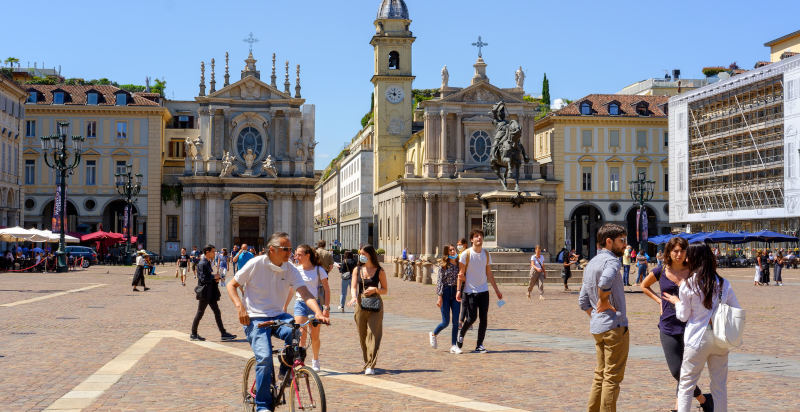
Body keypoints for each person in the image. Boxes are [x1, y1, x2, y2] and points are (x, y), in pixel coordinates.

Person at [226, 232, 330, 412]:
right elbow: (231, 285)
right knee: (265, 358)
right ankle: (263, 405)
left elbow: (305, 293)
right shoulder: (256, 264)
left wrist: (319, 312)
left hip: (278, 316)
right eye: (286, 249)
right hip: (255, 318)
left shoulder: (290, 268)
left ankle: (284, 372)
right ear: (272, 250)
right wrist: (239, 307)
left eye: (291, 249)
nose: (290, 252)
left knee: (295, 332)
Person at [662, 243, 741, 412]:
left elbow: (682, 316)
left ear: (695, 259)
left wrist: (676, 302)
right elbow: (736, 309)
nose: (686, 258)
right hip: (720, 338)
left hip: (697, 338)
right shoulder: (723, 283)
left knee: (686, 384)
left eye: (689, 255)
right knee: (719, 385)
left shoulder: (689, 284)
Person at [640, 237, 712, 412]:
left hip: (690, 325)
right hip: (668, 326)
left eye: (682, 251)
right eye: (675, 251)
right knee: (676, 370)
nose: (679, 255)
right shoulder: (661, 271)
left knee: (685, 369)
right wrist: (659, 302)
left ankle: (678, 407)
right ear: (669, 253)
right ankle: (703, 399)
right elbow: (644, 286)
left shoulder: (694, 271)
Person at [578, 223, 629, 412]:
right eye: (621, 241)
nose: (624, 245)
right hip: (615, 327)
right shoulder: (612, 262)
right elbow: (605, 281)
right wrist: (604, 301)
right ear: (609, 242)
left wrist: (596, 316)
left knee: (600, 375)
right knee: (612, 377)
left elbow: (583, 301)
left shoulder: (590, 263)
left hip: (598, 327)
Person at [456, 229, 503, 354]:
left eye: (481, 236)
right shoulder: (466, 254)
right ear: (472, 239)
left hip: (483, 291)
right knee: (471, 318)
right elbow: (460, 274)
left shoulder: (486, 254)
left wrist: (497, 291)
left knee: (484, 319)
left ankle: (479, 345)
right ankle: (461, 334)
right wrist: (458, 290)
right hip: (470, 291)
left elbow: (489, 274)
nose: (479, 238)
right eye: (476, 236)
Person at [289, 244, 331, 372]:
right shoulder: (296, 270)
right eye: (296, 254)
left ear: (308, 255)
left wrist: (326, 308)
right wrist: (284, 306)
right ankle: (300, 360)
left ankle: (315, 359)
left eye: (299, 255)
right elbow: (291, 290)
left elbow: (327, 289)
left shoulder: (319, 270)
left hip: (315, 305)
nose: (296, 257)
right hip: (300, 304)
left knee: (315, 336)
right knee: (300, 334)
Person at [347, 244, 388, 375]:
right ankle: (367, 361)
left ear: (370, 255)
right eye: (360, 254)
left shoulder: (379, 271)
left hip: (375, 303)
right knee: (363, 334)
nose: (361, 256)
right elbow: (353, 286)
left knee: (374, 334)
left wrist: (375, 289)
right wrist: (353, 297)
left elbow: (385, 290)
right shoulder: (357, 269)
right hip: (360, 303)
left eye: (364, 254)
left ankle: (371, 364)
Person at [190, 244, 236, 342]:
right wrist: (214, 277)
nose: (214, 253)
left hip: (210, 292)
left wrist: (216, 279)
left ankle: (223, 333)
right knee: (200, 313)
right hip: (205, 293)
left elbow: (208, 277)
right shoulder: (202, 263)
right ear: (207, 252)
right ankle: (193, 334)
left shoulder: (207, 262)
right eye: (213, 251)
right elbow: (202, 278)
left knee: (217, 312)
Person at [430, 244, 461, 354]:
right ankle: (434, 334)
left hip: (456, 292)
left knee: (456, 321)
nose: (453, 251)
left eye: (454, 249)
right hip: (446, 292)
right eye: (450, 250)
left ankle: (453, 345)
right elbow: (440, 282)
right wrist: (439, 297)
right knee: (446, 322)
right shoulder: (443, 265)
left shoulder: (459, 264)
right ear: (447, 253)